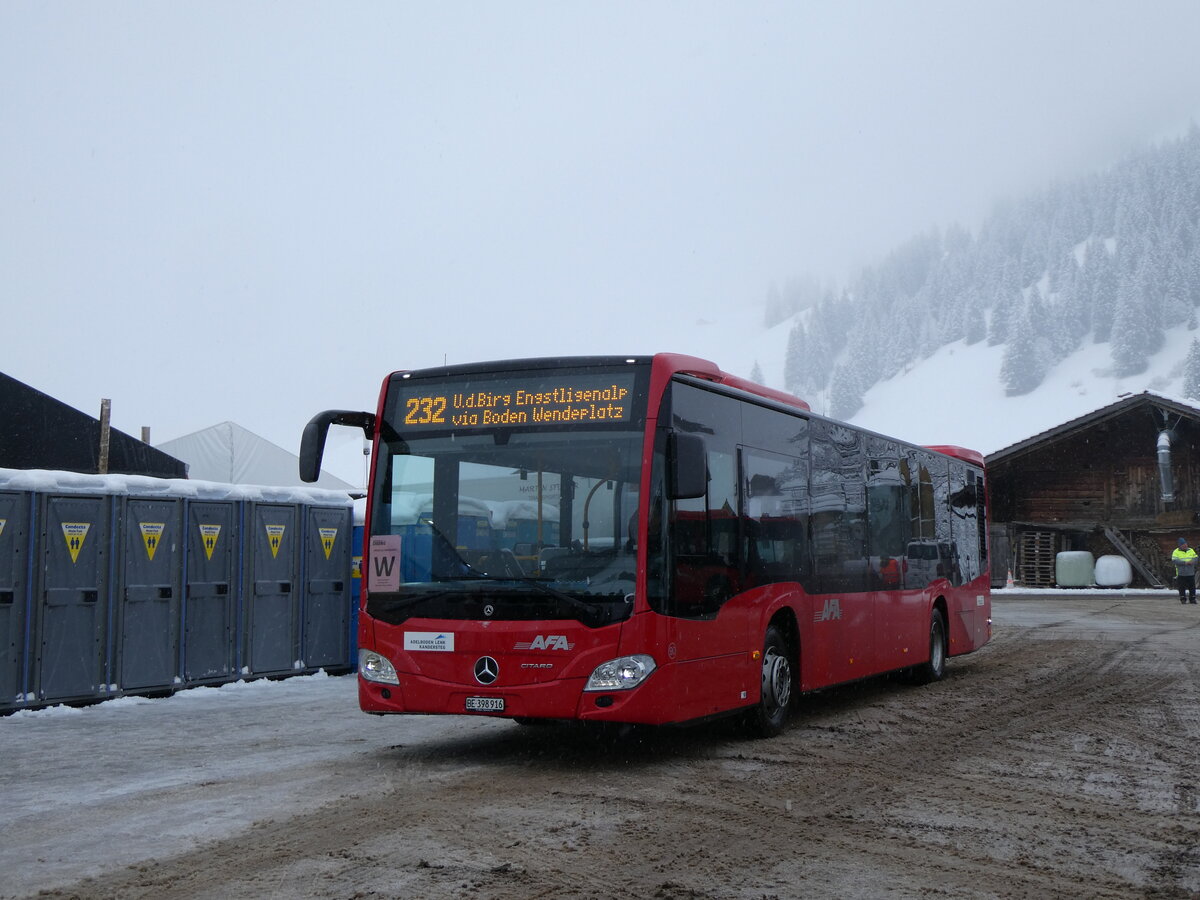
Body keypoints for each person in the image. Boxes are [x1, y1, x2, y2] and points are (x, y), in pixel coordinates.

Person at [1172, 538, 1198, 604]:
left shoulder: (1191, 550)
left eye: (1185, 544)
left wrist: (1192, 561)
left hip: (1190, 572)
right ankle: (1183, 598)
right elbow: (1174, 561)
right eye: (1183, 545)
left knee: (1192, 587)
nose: (1185, 545)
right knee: (1181, 587)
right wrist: (1184, 563)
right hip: (1181, 573)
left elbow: (1196, 558)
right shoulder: (1176, 552)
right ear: (1180, 546)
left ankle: (1192, 598)